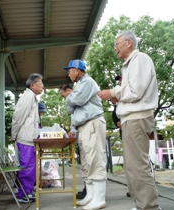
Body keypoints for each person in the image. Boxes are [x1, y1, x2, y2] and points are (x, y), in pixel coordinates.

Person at [98, 31, 162, 210]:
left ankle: (149, 207)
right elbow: (133, 91)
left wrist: (114, 92)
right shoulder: (130, 64)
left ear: (128, 43)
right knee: (132, 168)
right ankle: (143, 205)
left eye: (116, 43)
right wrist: (117, 95)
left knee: (138, 167)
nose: (115, 47)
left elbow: (135, 91)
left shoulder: (140, 59)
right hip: (131, 119)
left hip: (136, 118)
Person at [63, 59, 106, 209]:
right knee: (87, 162)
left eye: (70, 70)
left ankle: (99, 198)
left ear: (77, 70)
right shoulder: (79, 85)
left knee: (95, 159)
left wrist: (70, 98)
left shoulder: (87, 82)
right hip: (84, 126)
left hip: (92, 123)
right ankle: (91, 196)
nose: (68, 74)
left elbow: (76, 100)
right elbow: (71, 108)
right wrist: (71, 100)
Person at [11, 73, 44, 203]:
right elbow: (18, 116)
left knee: (31, 167)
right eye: (40, 84)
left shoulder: (32, 97)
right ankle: (22, 194)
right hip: (25, 139)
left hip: (30, 139)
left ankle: (28, 192)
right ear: (32, 85)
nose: (42, 87)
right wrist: (14, 134)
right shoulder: (27, 96)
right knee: (27, 167)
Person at [59, 84, 87, 199]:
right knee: (84, 163)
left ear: (69, 90)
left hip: (84, 133)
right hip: (79, 135)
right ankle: (87, 189)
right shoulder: (72, 104)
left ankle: (89, 191)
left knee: (88, 163)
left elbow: (80, 118)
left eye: (63, 94)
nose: (63, 98)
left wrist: (73, 130)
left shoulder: (78, 100)